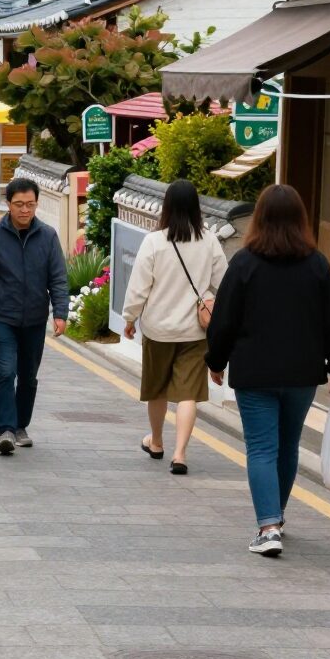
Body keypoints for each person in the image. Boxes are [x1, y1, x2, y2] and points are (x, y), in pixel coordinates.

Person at [206, 183, 330, 558]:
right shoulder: (317, 264)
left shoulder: (244, 262)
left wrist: (215, 360)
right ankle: (278, 517)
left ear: (260, 217)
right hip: (302, 374)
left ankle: (268, 525)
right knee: (287, 446)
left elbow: (224, 319)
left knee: (261, 447)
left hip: (255, 373)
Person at [121, 179, 228, 475]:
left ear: (166, 206)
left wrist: (129, 318)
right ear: (197, 207)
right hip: (195, 331)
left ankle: (156, 442)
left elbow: (139, 286)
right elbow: (225, 283)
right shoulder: (209, 241)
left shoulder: (154, 242)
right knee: (188, 394)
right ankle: (180, 454)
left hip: (157, 329)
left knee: (156, 389)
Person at [0, 177, 69, 455]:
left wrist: (60, 313)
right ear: (8, 205)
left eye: (30, 204)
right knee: (5, 371)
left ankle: (21, 425)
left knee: (28, 376)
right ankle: (6, 430)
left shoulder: (47, 236)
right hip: (1, 317)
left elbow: (58, 279)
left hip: (35, 320)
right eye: (19, 204)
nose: (25, 210)